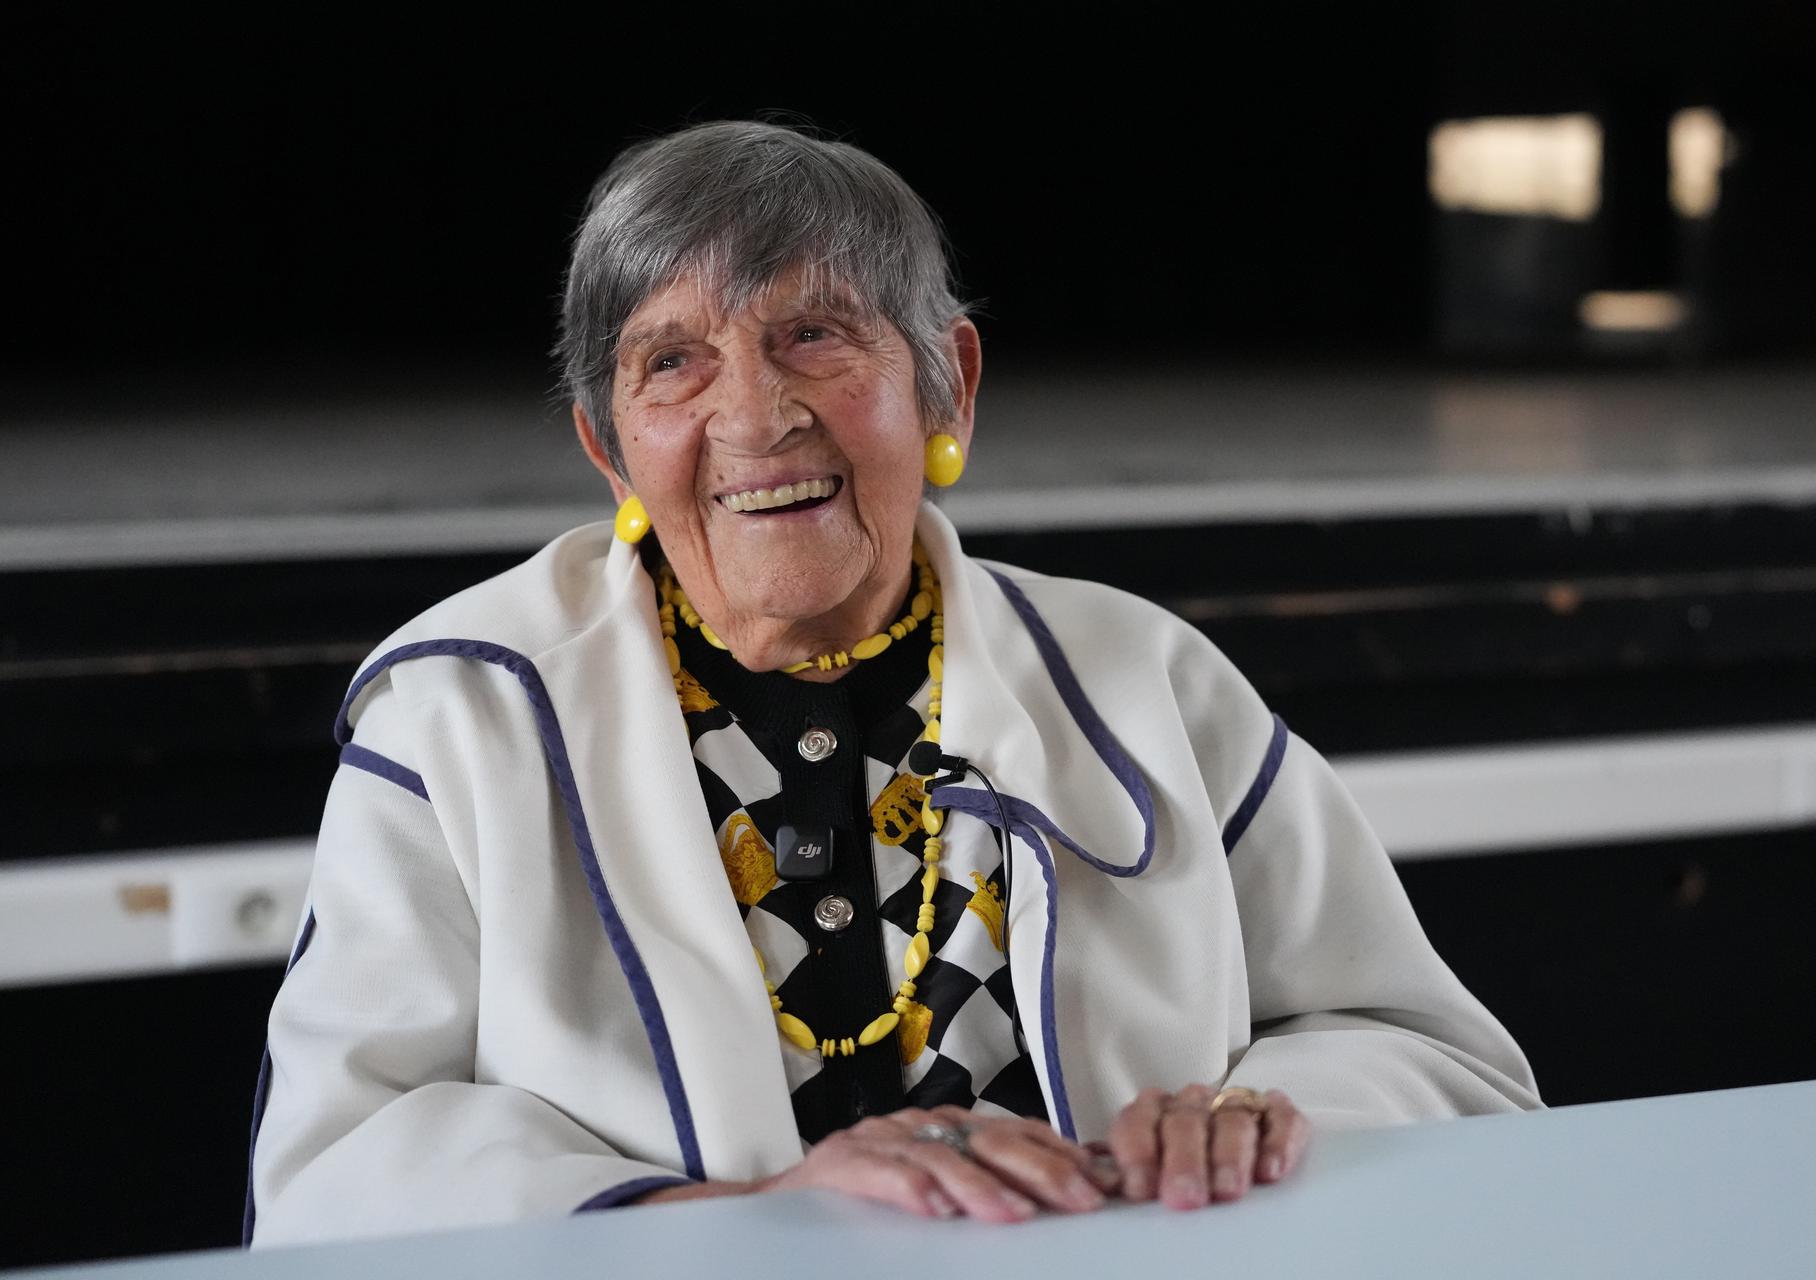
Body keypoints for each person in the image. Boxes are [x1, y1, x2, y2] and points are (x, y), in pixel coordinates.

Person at [245, 120, 1539, 1247]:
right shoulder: (460, 717)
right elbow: (325, 1175)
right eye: (672, 361)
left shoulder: (1142, 679)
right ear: (609, 448)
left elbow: (1443, 1062)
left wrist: (1256, 1119)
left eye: (814, 334)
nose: (755, 416)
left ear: (947, 387)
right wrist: (733, 1220)